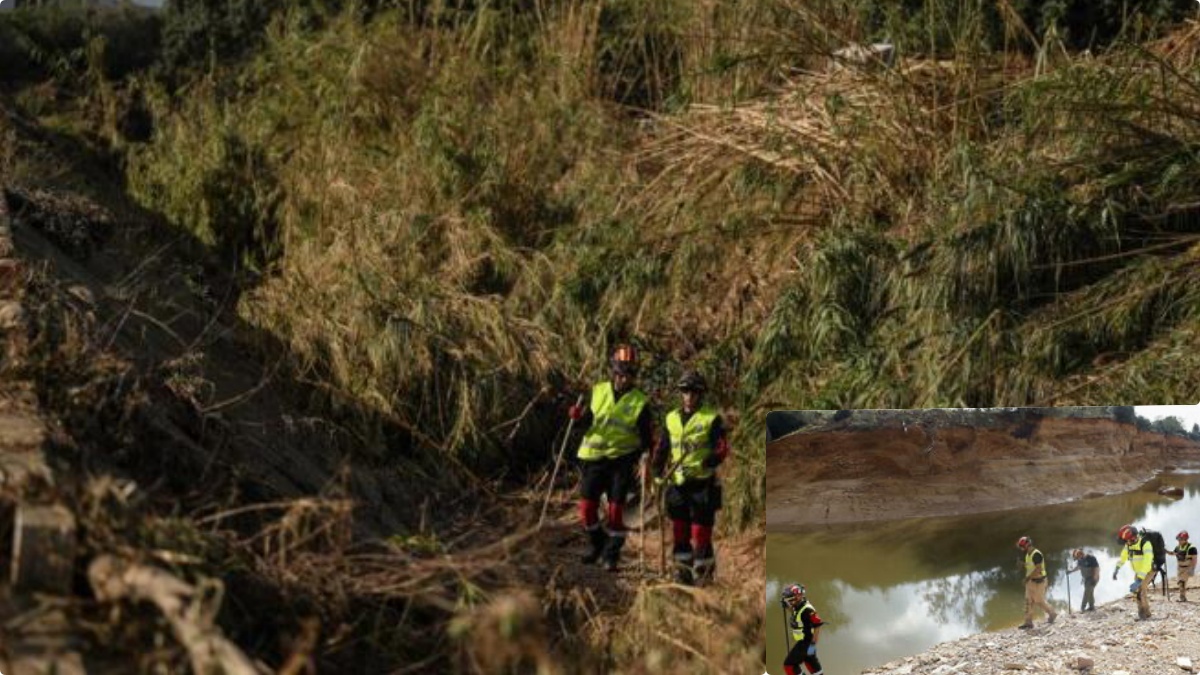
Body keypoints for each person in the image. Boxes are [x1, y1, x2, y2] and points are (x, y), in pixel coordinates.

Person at [569, 344, 654, 571]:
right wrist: (577, 417)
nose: (623, 378)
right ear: (613, 370)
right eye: (619, 372)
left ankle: (611, 555)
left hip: (622, 462)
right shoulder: (597, 391)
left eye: (628, 373)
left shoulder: (639, 402)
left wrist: (646, 460)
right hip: (594, 458)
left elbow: (647, 438)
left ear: (634, 374)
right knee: (587, 508)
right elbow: (585, 423)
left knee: (616, 512)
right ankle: (598, 545)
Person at [652, 369, 730, 586]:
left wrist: (709, 461)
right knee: (680, 530)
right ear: (681, 394)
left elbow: (722, 449)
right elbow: (663, 447)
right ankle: (682, 573)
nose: (689, 396)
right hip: (678, 484)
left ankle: (704, 574)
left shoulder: (711, 419)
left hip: (703, 484)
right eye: (685, 391)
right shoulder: (671, 419)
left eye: (694, 392)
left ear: (700, 394)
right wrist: (656, 472)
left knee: (701, 532)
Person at [781, 583, 824, 675]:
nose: (790, 601)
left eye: (791, 598)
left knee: (789, 665)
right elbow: (796, 612)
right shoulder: (799, 605)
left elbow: (817, 625)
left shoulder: (808, 610)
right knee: (810, 662)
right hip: (805, 643)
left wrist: (813, 643)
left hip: (806, 643)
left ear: (798, 596)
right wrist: (787, 606)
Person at [1113, 524, 1155, 620]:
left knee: (1140, 590)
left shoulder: (1145, 544)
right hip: (1139, 572)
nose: (1126, 543)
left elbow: (1147, 562)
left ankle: (1143, 614)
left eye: (1127, 541)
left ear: (1133, 538)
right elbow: (1123, 557)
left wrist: (1139, 579)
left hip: (1148, 570)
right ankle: (1145, 613)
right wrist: (1117, 568)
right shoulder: (1128, 545)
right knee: (1137, 592)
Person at [1016, 536, 1057, 629]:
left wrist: (1027, 578)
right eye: (1020, 546)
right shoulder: (1028, 555)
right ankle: (1028, 622)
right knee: (1028, 601)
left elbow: (1039, 569)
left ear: (1027, 544)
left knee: (1039, 601)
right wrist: (1023, 565)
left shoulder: (1036, 554)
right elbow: (1031, 566)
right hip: (1031, 581)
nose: (1021, 548)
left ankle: (1052, 613)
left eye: (1022, 546)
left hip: (1040, 581)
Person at [1173, 530, 1197, 602]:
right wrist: (1165, 551)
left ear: (1185, 539)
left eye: (1180, 539)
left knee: (1182, 582)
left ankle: (1182, 598)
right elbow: (1173, 553)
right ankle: (1182, 597)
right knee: (1180, 582)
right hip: (1179, 568)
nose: (1179, 541)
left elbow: (1194, 559)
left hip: (1187, 568)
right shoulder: (1178, 547)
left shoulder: (1192, 548)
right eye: (1178, 539)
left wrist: (1192, 569)